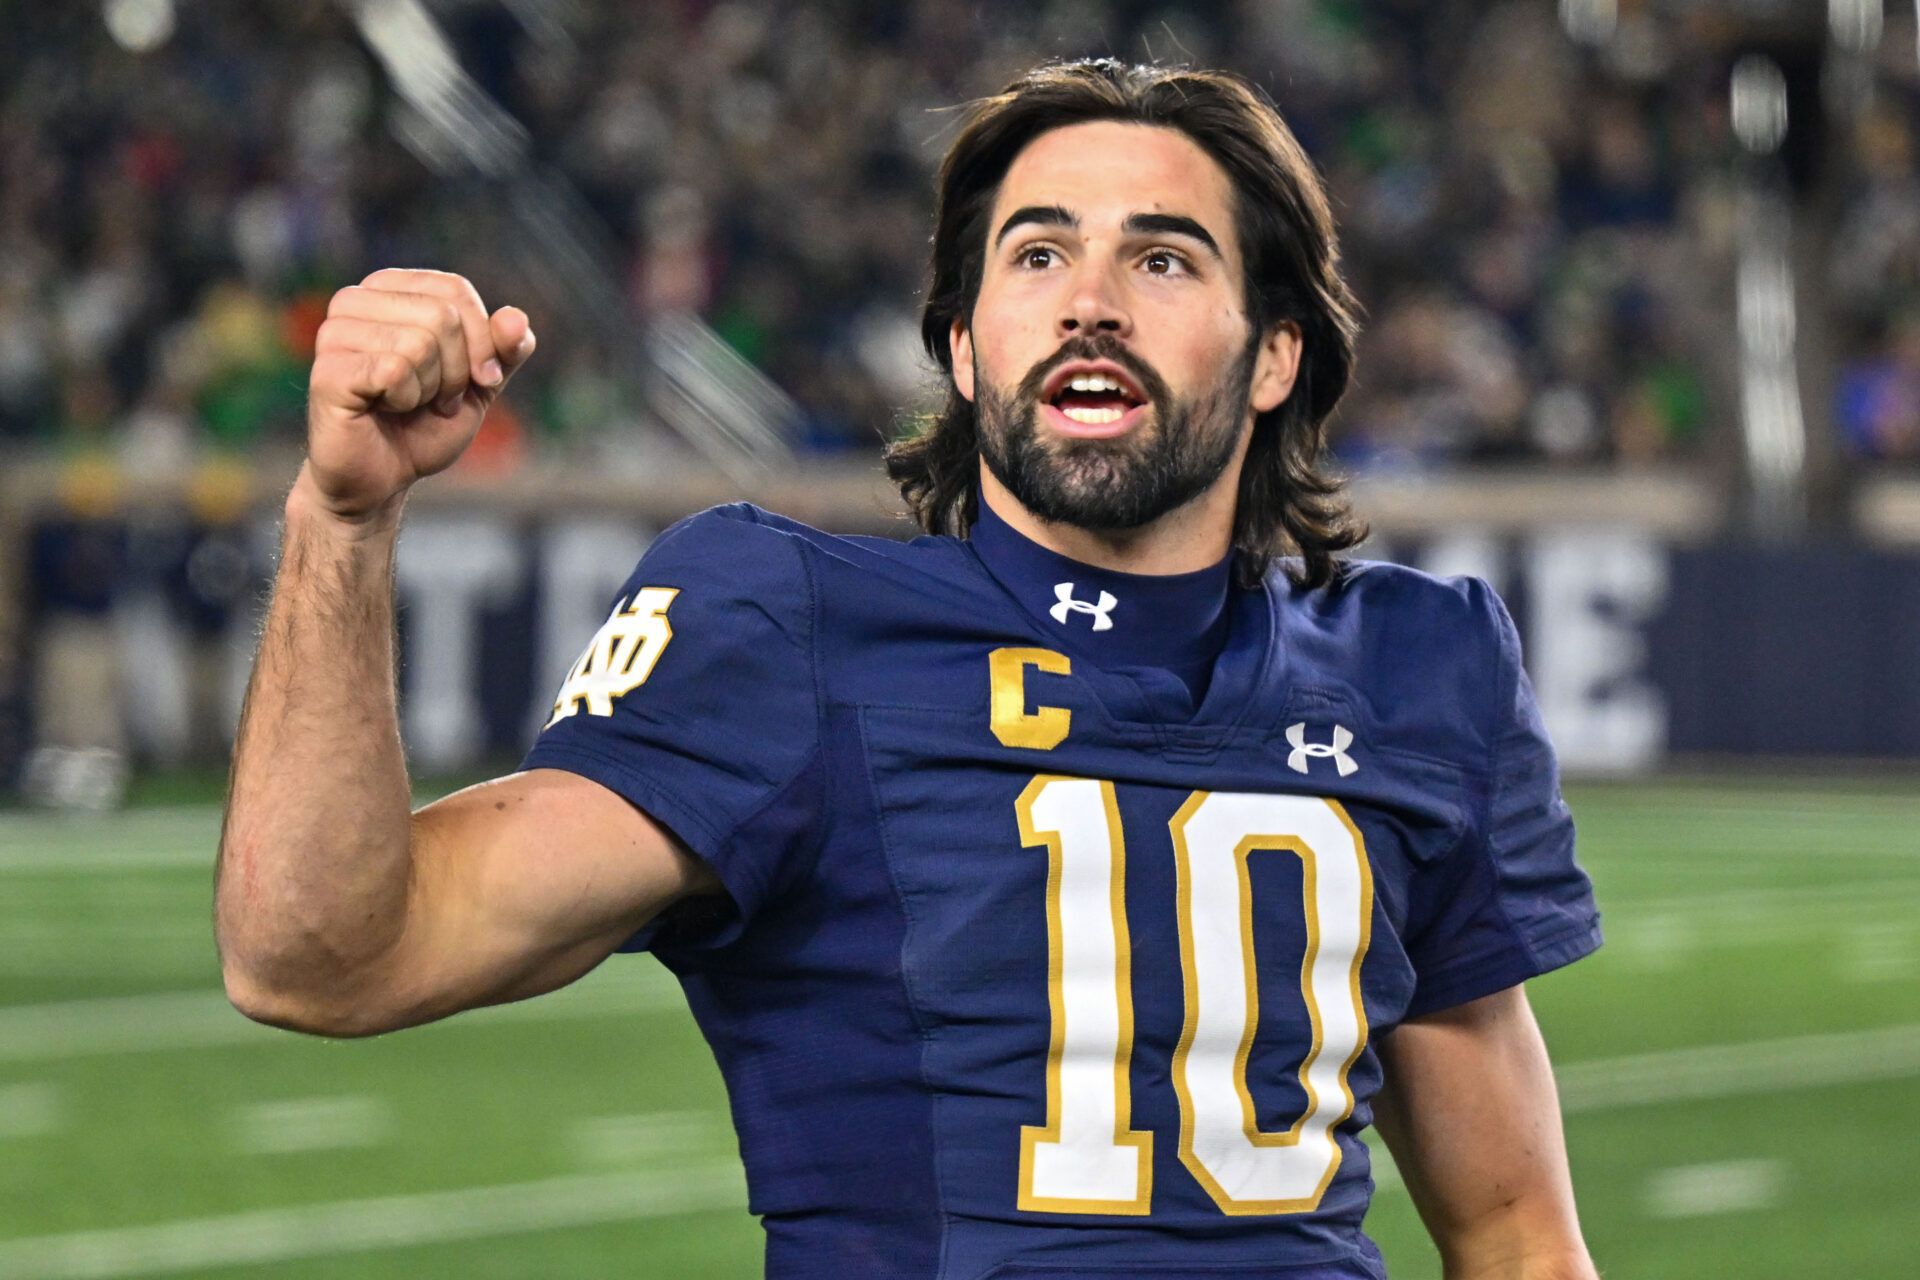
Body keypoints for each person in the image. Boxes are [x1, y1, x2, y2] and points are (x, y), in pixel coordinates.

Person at [216, 60, 1601, 1280]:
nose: (1093, 304)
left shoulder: (1420, 666)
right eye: (1037, 257)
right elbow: (319, 961)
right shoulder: (792, 628)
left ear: (1273, 356)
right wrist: (343, 522)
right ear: (962, 343)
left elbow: (1518, 1242)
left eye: (1165, 259)